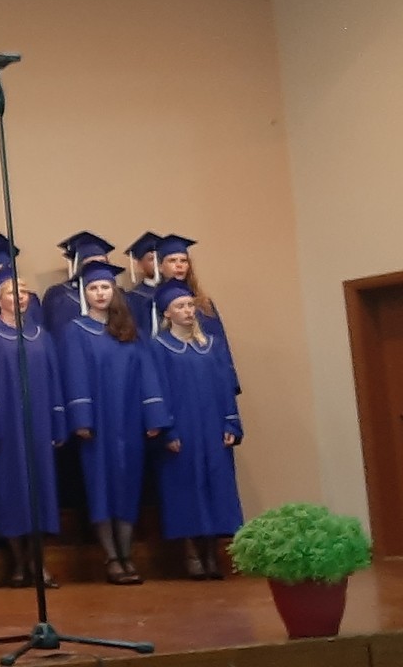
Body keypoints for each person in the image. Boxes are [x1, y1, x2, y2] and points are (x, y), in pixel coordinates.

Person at [55, 260, 171, 585]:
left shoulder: (130, 332)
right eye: (93, 288)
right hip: (98, 424)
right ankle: (111, 557)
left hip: (130, 420)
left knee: (128, 485)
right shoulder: (76, 331)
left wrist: (153, 417)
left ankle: (127, 554)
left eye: (105, 287)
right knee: (101, 487)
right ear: (85, 293)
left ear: (114, 291)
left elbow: (148, 376)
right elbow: (74, 376)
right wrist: (81, 419)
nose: (100, 293)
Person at [0, 267, 70, 589]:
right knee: (11, 491)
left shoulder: (41, 335)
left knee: (40, 490)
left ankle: (37, 563)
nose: (20, 296)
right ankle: (17, 562)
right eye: (12, 292)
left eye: (23, 291)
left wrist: (57, 423)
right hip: (7, 427)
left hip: (39, 425)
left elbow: (54, 381)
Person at [147, 278, 244, 580]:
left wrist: (231, 421)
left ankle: (212, 554)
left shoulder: (210, 346)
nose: (188, 311)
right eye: (180, 306)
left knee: (215, 487)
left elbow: (225, 388)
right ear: (167, 313)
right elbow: (157, 390)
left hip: (212, 427)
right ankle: (191, 554)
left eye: (190, 305)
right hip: (182, 430)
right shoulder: (159, 347)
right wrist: (168, 431)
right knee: (186, 489)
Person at [153, 236, 236, 374]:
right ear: (160, 267)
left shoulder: (203, 304)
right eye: (172, 260)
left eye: (184, 261)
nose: (179, 265)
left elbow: (220, 344)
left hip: (205, 369)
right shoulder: (151, 303)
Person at [41, 232, 115, 333]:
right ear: (78, 266)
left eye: (102, 262)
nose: (97, 266)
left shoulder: (117, 295)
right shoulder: (57, 295)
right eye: (90, 263)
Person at [122, 231, 162, 334]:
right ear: (140, 265)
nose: (157, 263)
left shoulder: (177, 291)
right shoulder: (133, 297)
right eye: (151, 259)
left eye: (160, 258)